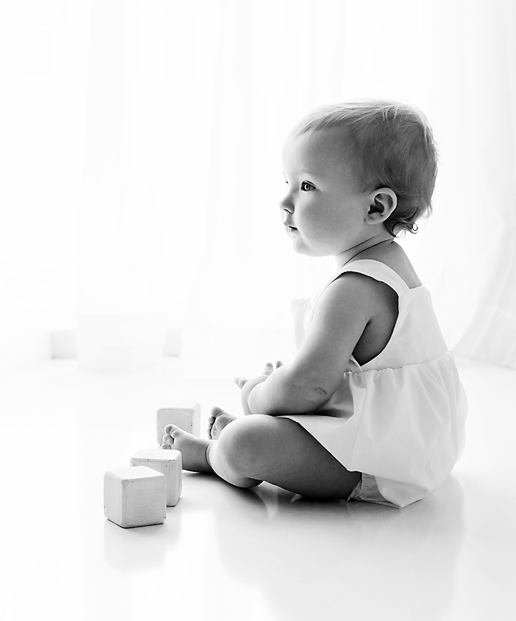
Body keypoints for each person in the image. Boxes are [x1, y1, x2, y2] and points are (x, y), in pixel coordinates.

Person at [162, 100, 468, 507]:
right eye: (287, 182)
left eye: (306, 186)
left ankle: (216, 455)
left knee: (245, 440)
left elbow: (311, 386)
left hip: (379, 465)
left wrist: (259, 394)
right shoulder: (390, 265)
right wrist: (287, 387)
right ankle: (269, 439)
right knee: (281, 407)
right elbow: (350, 379)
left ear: (376, 207)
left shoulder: (354, 288)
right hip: (408, 446)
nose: (285, 201)